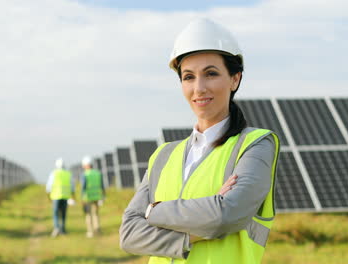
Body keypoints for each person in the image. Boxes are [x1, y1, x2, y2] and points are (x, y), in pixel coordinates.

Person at [119, 18, 280, 264]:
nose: (199, 88)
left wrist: (153, 211)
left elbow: (226, 216)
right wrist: (197, 227)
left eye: (211, 74)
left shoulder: (255, 145)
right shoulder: (163, 156)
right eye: (188, 77)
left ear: (235, 79)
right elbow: (129, 234)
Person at [46, 158, 74, 237]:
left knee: (55, 213)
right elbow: (72, 186)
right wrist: (73, 196)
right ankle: (63, 229)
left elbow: (49, 186)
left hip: (55, 196)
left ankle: (56, 228)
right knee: (63, 214)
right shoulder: (68, 174)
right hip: (65, 196)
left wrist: (48, 196)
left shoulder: (53, 173)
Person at [80, 156, 106, 238]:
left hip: (87, 197)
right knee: (96, 213)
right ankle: (97, 229)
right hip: (97, 196)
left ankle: (90, 231)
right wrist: (103, 195)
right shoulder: (98, 173)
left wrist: (81, 197)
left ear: (86, 165)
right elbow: (102, 186)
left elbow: (83, 187)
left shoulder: (85, 174)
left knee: (88, 214)